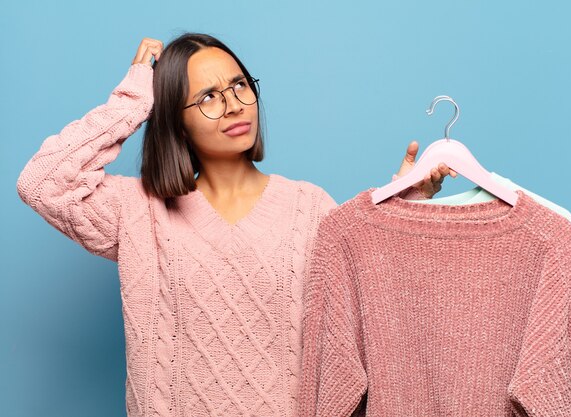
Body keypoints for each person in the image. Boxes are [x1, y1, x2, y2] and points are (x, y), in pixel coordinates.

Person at [17, 33, 455, 417]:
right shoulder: (139, 211)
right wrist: (132, 100)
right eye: (207, 97)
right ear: (174, 118)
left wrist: (402, 201)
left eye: (240, 86)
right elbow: (43, 182)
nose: (232, 106)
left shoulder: (309, 207)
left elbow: (372, 305)